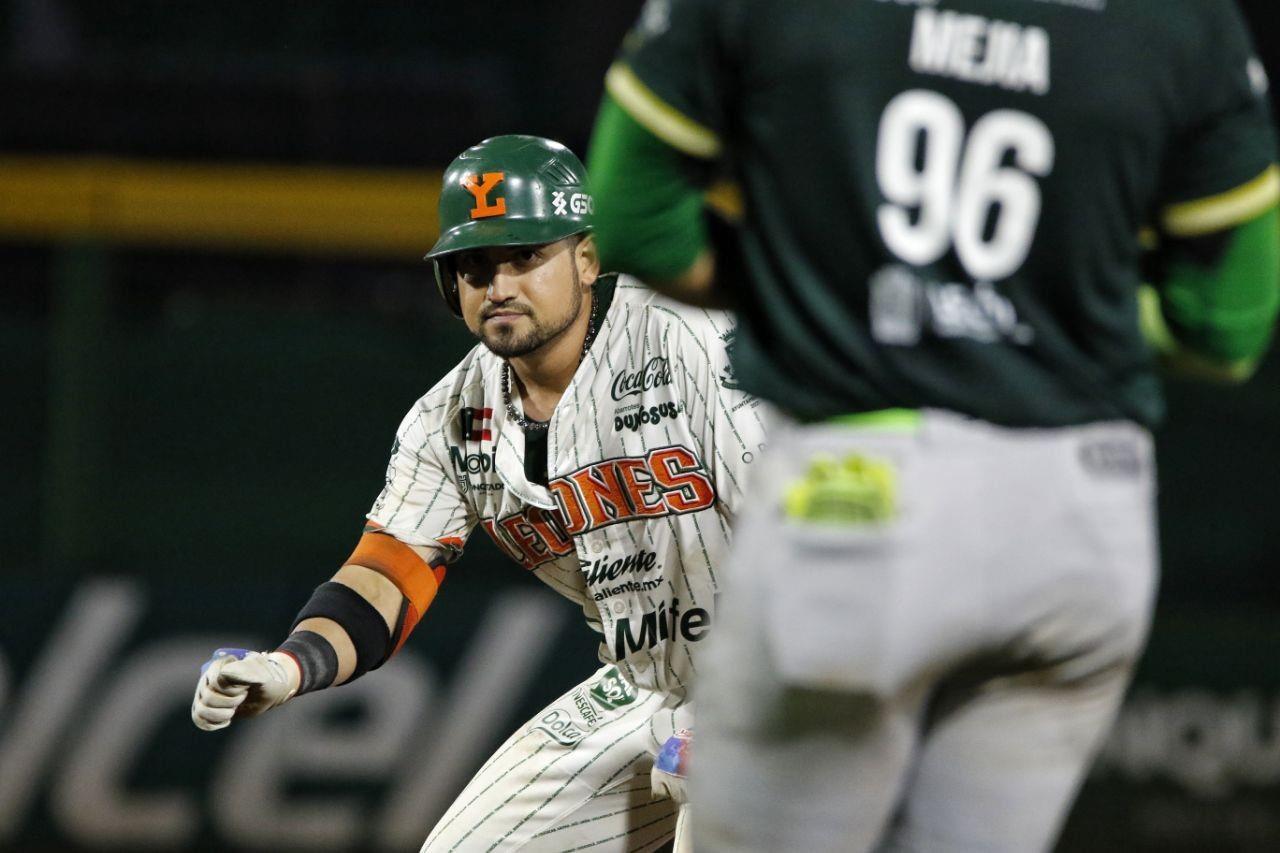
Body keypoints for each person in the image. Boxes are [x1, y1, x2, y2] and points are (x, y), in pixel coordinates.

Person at [587, 1, 1280, 850]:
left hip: (862, 488)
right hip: (1081, 514)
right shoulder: (1183, 18)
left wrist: (827, 296)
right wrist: (1048, 320)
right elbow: (1229, 322)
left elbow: (633, 219)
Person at [190, 134, 765, 851]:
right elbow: (388, 573)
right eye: (474, 265)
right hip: (650, 685)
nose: (499, 285)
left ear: (587, 257)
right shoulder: (451, 420)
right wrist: (286, 665)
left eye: (526, 256)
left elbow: (823, 534)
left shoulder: (691, 334)